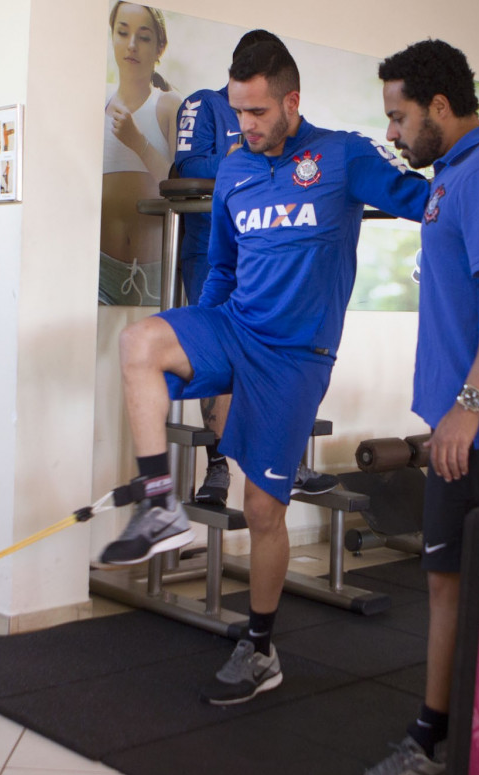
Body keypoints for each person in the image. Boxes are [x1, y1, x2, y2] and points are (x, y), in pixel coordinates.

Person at [98, 41, 440, 705]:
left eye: (257, 111)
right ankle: (160, 500)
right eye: (237, 111)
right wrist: (203, 339)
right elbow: (222, 266)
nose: (245, 125)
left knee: (261, 507)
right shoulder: (235, 168)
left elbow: (424, 202)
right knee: (140, 342)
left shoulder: (343, 157)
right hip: (235, 327)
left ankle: (259, 648)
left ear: (292, 101)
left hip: (295, 356)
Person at [337, 39, 479, 775]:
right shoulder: (467, 170)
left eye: (399, 118)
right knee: (448, 587)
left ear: (439, 106)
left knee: (473, 594)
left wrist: (467, 407)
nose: (393, 134)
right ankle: (440, 735)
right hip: (468, 424)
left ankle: (449, 747)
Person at [174, 30, 341, 506]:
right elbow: (186, 165)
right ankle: (218, 469)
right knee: (222, 360)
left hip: (272, 260)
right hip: (213, 252)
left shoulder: (290, 124)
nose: (249, 119)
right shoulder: (204, 104)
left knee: (280, 355)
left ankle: (283, 459)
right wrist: (235, 157)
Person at [100, 2, 182, 306]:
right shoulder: (98, 102)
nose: (131, 45)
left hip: (156, 271)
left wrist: (139, 143)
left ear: (160, 46)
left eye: (144, 37)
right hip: (99, 271)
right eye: (122, 33)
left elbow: (181, 188)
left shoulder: (169, 105)